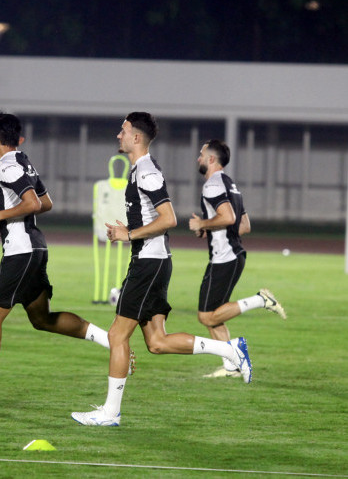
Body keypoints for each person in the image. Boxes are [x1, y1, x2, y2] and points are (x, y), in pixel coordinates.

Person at [71, 112, 252, 427]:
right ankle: (229, 348)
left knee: (117, 335)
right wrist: (128, 231)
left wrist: (129, 234)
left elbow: (169, 218)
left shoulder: (147, 172)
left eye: (123, 130)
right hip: (152, 262)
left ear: (136, 137)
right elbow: (151, 219)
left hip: (149, 265)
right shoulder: (138, 171)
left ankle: (110, 413)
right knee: (157, 342)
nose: (119, 135)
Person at [0, 112, 118, 410]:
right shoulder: (23, 161)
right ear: (18, 137)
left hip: (20, 251)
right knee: (41, 319)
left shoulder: (8, 166)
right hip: (35, 247)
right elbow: (46, 202)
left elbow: (33, 203)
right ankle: (110, 339)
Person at [189, 139, 285, 379]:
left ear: (212, 159)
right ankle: (231, 365)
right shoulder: (231, 185)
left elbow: (228, 217)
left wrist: (203, 223)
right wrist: (209, 228)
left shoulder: (213, 184)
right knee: (215, 316)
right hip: (232, 256)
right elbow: (244, 225)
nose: (198, 158)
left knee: (206, 316)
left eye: (201, 154)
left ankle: (261, 300)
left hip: (225, 259)